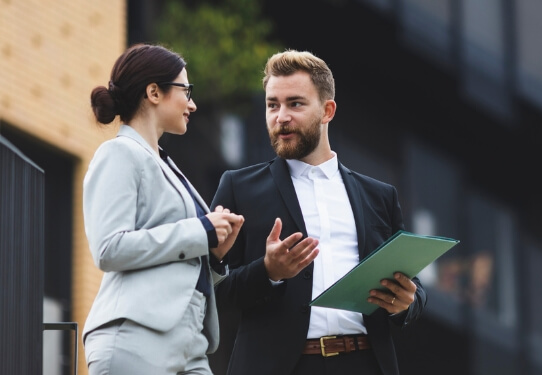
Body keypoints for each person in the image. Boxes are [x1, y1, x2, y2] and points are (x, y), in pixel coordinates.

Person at [211, 49, 427, 375]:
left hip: (365, 362)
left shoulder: (379, 196)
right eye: (273, 105)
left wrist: (406, 303)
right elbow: (208, 292)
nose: (280, 116)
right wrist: (267, 271)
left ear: (327, 110)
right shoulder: (238, 188)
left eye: (295, 104)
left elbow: (413, 286)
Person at [82, 43, 244, 375]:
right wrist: (200, 231)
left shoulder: (165, 165)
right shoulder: (119, 154)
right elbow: (108, 248)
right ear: (154, 92)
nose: (193, 104)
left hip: (191, 344)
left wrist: (213, 254)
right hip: (136, 338)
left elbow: (176, 268)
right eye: (186, 91)